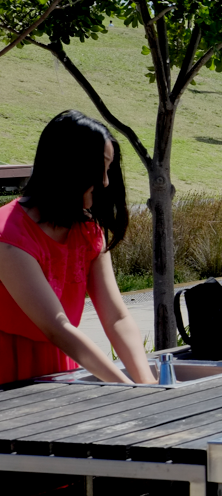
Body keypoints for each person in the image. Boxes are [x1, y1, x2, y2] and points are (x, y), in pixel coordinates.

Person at [0, 111, 156, 385]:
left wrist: (147, 385)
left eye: (109, 169)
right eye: (99, 168)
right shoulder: (8, 235)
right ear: (68, 166)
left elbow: (117, 318)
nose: (105, 181)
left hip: (62, 363)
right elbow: (57, 327)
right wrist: (126, 387)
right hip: (9, 370)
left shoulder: (88, 231)